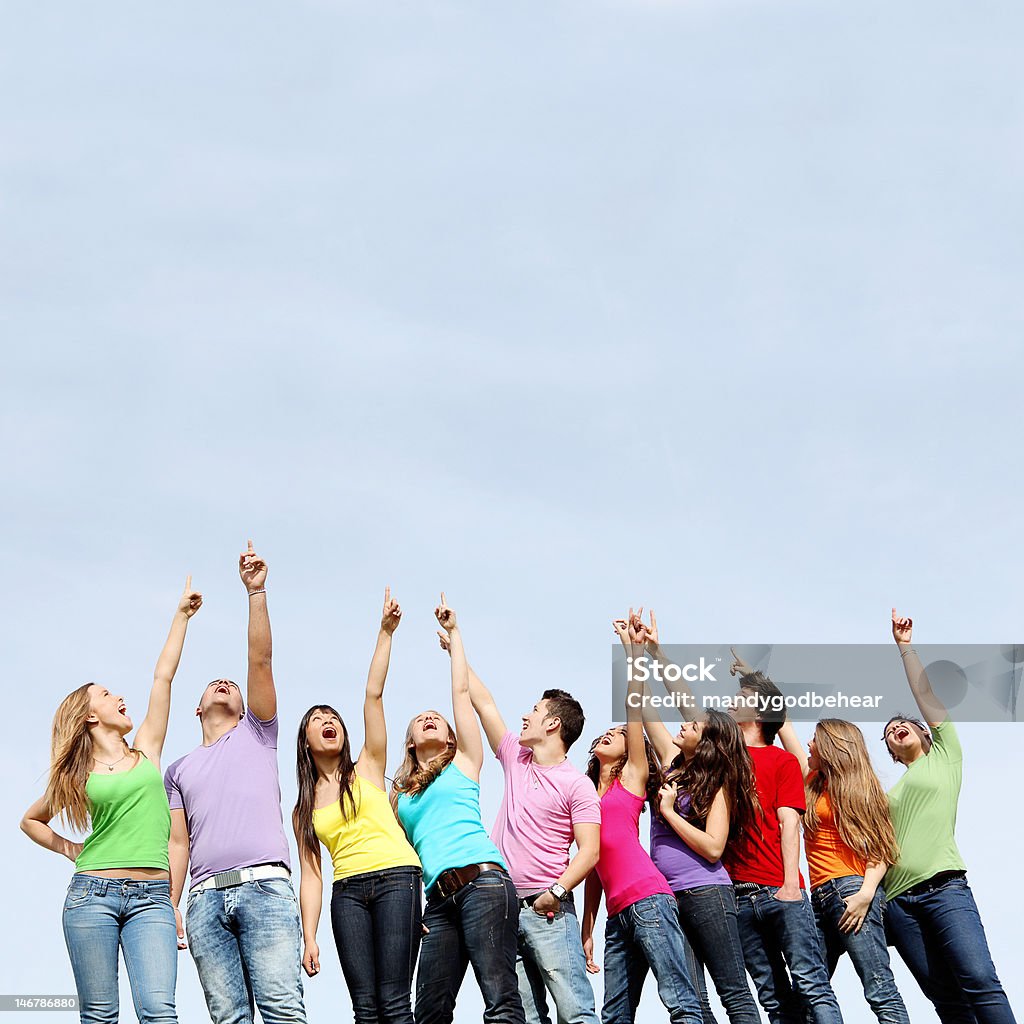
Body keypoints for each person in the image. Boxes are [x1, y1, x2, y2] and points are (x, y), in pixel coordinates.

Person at [21, 576, 203, 1024]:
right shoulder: (77, 776)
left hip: (154, 899)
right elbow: (31, 821)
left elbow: (163, 676)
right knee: (100, 1015)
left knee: (160, 1012)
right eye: (107, 694)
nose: (120, 697)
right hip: (91, 896)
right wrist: (71, 849)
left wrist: (180, 615)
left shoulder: (147, 752)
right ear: (89, 715)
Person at [163, 542, 306, 1024]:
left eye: (233, 685)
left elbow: (260, 661)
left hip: (264, 887)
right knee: (228, 1017)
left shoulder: (258, 732)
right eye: (213, 684)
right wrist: (170, 904)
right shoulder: (178, 770)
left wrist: (256, 591)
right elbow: (178, 841)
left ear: (246, 707)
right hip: (203, 901)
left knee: (283, 1010)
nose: (225, 682)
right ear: (197, 709)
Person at [392, 594, 524, 1024]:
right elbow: (405, 859)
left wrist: (454, 636)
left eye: (437, 717)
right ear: (411, 740)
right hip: (437, 903)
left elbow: (462, 693)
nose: (430, 718)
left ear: (450, 737)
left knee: (500, 998)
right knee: (428, 1011)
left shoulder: (465, 762)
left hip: (484, 885)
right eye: (420, 718)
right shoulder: (401, 796)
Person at [293, 588, 422, 1024]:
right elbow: (311, 876)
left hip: (396, 881)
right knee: (365, 1010)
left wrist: (385, 633)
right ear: (306, 741)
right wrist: (308, 936)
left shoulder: (367, 766)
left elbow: (373, 696)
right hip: (346, 893)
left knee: (394, 1002)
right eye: (317, 719)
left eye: (333, 718)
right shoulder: (304, 808)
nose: (329, 722)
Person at [464, 615, 602, 1024]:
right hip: (506, 908)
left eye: (535, 710)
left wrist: (555, 893)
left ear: (553, 723)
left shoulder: (577, 785)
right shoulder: (516, 757)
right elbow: (484, 702)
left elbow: (589, 851)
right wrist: (456, 644)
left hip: (549, 911)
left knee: (576, 1012)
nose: (525, 716)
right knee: (524, 1015)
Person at [883, 609, 1016, 1024]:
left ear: (926, 733)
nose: (896, 728)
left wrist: (905, 648)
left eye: (904, 723)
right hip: (898, 903)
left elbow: (927, 698)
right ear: (890, 751)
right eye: (888, 731)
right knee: (946, 1000)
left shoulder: (944, 757)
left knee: (979, 980)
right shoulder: (888, 795)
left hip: (944, 890)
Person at [630, 611, 762, 1024]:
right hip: (668, 896)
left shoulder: (717, 782)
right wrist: (638, 652)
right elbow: (646, 705)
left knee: (734, 994)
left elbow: (713, 847)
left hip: (707, 892)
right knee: (695, 1001)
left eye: (693, 723)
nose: (684, 723)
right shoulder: (671, 764)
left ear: (707, 739)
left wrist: (669, 812)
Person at [579, 617, 703, 1024]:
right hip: (617, 915)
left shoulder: (632, 779)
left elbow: (634, 706)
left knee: (681, 1002)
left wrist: (631, 652)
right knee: (614, 1015)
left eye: (616, 734)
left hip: (649, 898)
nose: (606, 735)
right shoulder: (582, 799)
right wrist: (587, 927)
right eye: (603, 734)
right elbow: (593, 863)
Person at [721, 650, 844, 1024]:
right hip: (738, 898)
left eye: (740, 699)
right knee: (773, 999)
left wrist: (791, 884)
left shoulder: (783, 761)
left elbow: (789, 822)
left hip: (780, 890)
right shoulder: (725, 757)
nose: (730, 703)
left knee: (812, 985)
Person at [780, 719, 910, 1024]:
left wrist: (865, 895)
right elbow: (783, 728)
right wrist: (757, 684)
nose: (808, 744)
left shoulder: (859, 789)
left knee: (879, 988)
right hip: (819, 899)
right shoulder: (813, 781)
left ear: (830, 747)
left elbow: (882, 848)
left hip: (852, 893)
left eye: (814, 740)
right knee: (808, 992)